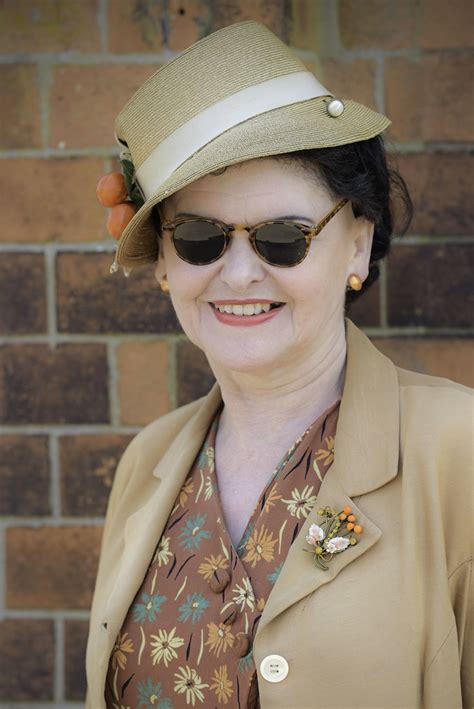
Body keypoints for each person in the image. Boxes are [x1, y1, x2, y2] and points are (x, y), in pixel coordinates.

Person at [86, 20, 472, 709]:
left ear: (356, 246)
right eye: (200, 237)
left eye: (281, 238)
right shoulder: (148, 464)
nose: (237, 274)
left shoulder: (459, 448)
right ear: (166, 265)